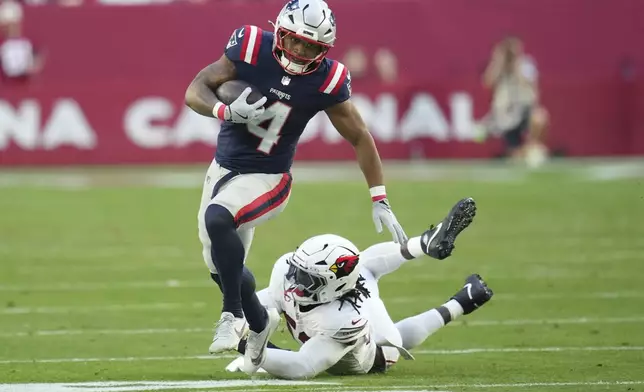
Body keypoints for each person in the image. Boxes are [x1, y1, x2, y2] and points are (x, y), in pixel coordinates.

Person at [183, 0, 407, 374]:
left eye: (312, 47)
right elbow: (197, 89)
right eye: (296, 41)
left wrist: (379, 196)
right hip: (221, 169)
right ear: (280, 31)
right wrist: (225, 111)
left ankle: (231, 314)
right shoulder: (251, 45)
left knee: (218, 219)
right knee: (222, 267)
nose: (301, 52)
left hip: (269, 178)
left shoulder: (327, 79)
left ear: (325, 50)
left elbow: (359, 136)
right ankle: (258, 324)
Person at [224, 198, 494, 378]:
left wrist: (245, 345)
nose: (296, 281)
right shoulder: (286, 269)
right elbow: (267, 301)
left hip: (371, 353)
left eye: (308, 278)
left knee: (393, 341)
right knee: (362, 264)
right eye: (298, 270)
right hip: (344, 290)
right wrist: (238, 315)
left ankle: (459, 302)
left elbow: (303, 366)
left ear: (332, 284)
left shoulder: (342, 320)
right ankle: (424, 246)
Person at [476, 36, 549, 167]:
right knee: (515, 156)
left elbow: (531, 84)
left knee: (539, 117)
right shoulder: (499, 65)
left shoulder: (526, 64)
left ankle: (532, 146)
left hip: (525, 109)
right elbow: (487, 82)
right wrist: (498, 60)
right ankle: (526, 152)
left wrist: (516, 65)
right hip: (507, 113)